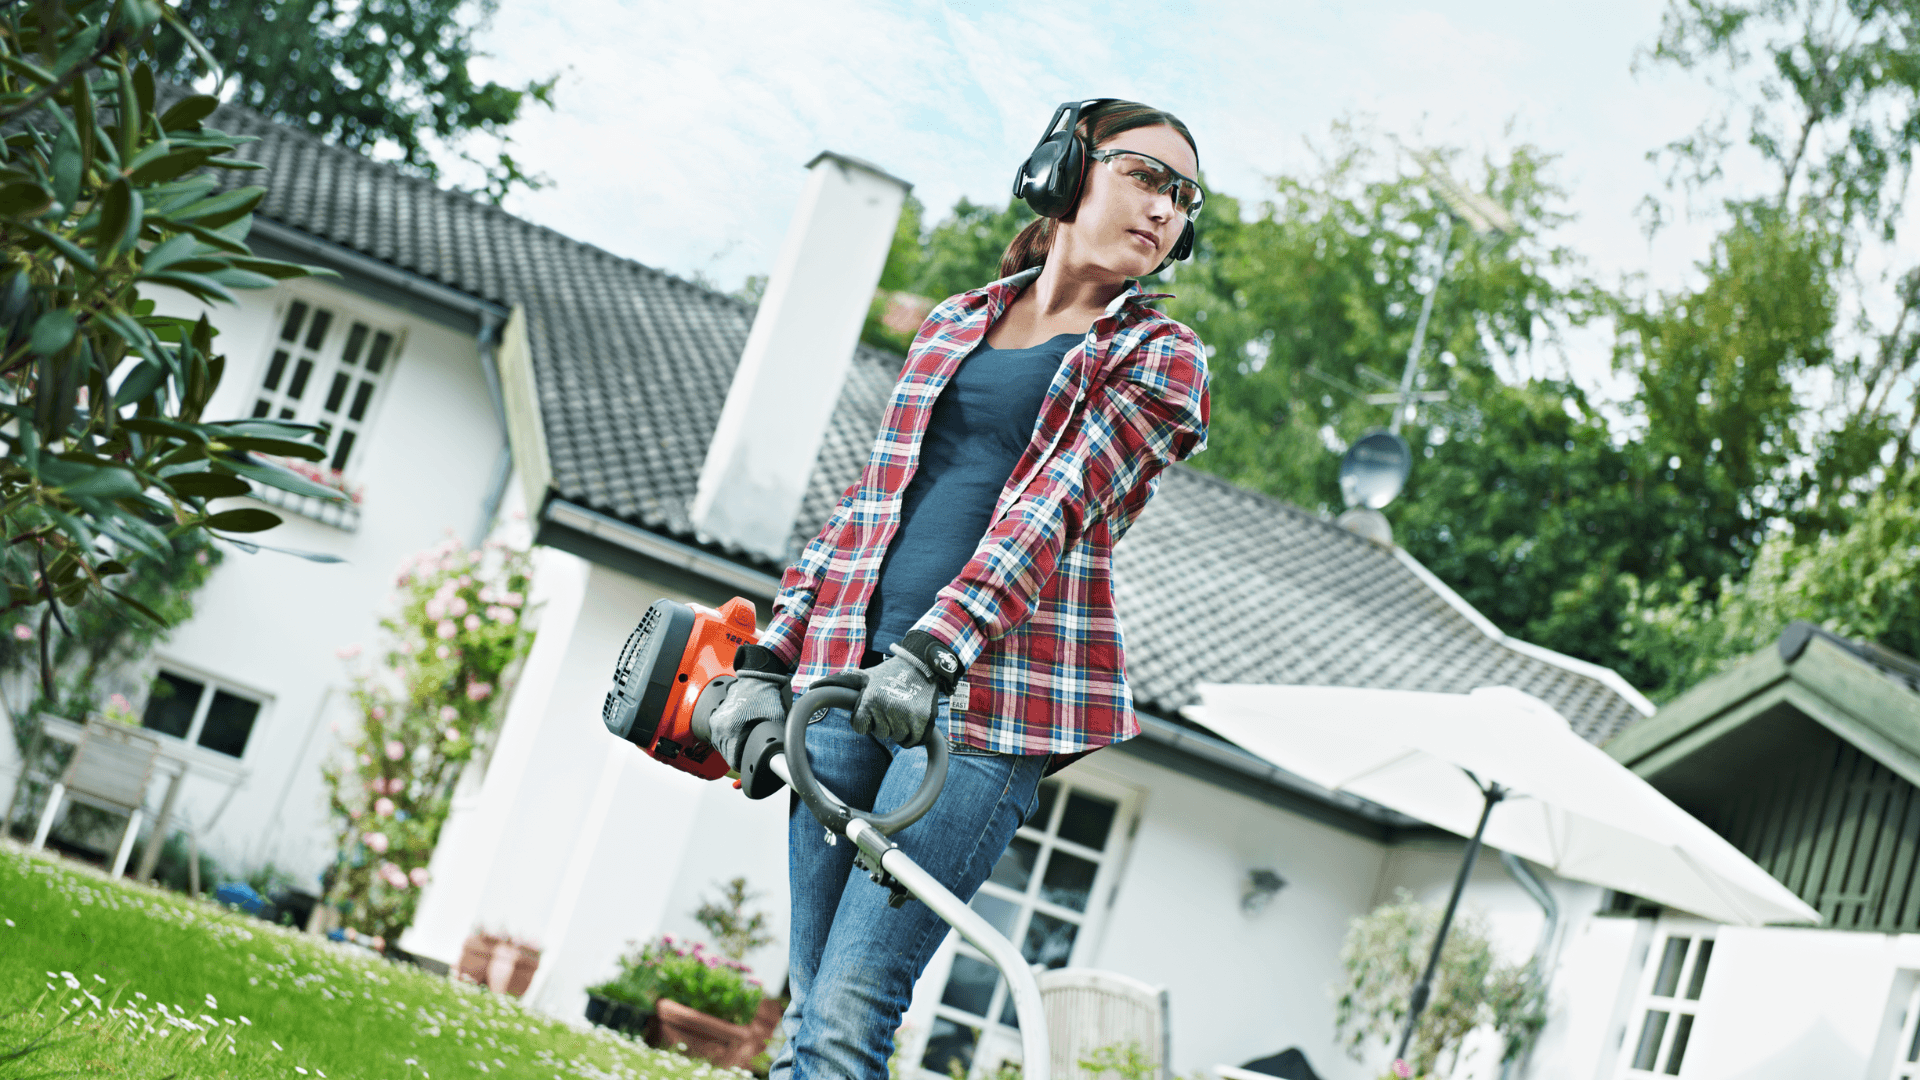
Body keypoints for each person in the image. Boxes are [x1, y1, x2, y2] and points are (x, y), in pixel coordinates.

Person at [708, 98, 1210, 1080]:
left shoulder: (1160, 358)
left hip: (983, 709)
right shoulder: (953, 325)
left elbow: (1050, 511)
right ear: (1064, 171)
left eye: (1184, 198)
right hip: (849, 679)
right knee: (811, 1005)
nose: (1166, 210)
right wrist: (767, 658)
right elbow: (869, 507)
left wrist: (936, 651)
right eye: (1147, 176)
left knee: (852, 1007)